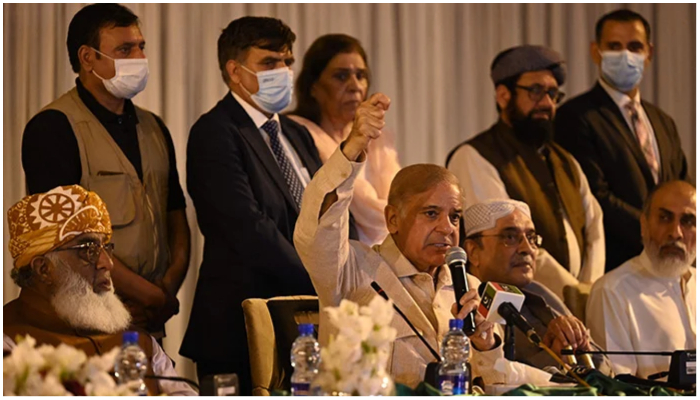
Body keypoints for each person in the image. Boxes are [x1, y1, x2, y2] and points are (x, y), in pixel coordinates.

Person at [294, 92, 559, 389]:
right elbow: (318, 227)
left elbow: (497, 387)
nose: (447, 228)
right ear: (393, 219)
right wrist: (352, 150)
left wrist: (485, 346)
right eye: (431, 213)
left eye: (455, 217)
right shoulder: (353, 270)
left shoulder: (469, 291)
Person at [182, 17, 348, 395]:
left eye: (288, 62)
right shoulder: (216, 132)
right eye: (270, 63)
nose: (284, 72)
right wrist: (320, 282)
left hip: (305, 323)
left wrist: (343, 270)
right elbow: (246, 227)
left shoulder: (295, 132)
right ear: (235, 71)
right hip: (238, 326)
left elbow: (329, 210)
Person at [20, 3, 190, 339]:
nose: (139, 58)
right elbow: (62, 237)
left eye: (141, 47)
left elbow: (176, 215)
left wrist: (166, 289)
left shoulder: (154, 126)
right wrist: (148, 294)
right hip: (87, 315)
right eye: (125, 49)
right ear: (88, 58)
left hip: (151, 315)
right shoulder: (54, 127)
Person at [4, 185, 196, 396]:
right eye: (89, 250)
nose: (107, 264)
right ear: (44, 269)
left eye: (106, 248)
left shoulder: (137, 341)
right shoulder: (10, 345)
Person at [446, 45, 605, 299]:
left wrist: (590, 291)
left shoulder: (566, 162)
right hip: (514, 304)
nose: (547, 103)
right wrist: (572, 293)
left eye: (553, 93)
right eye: (535, 91)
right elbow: (506, 242)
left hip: (579, 305)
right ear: (503, 95)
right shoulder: (475, 156)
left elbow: (595, 227)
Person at [555, 9, 691, 272]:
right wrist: (654, 230)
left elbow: (682, 189)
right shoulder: (575, 116)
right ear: (596, 51)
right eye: (614, 47)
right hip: (617, 266)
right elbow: (595, 196)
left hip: (670, 265)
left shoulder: (662, 121)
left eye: (634, 46)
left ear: (649, 53)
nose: (626, 56)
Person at [462, 199, 611, 374]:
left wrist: (579, 346)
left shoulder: (539, 291)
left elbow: (605, 365)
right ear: (473, 251)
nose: (527, 248)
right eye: (510, 237)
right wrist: (555, 358)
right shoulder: (466, 304)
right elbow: (493, 376)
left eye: (531, 238)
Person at [289, 34, 401, 246]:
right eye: (341, 76)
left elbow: (400, 206)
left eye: (360, 75)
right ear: (313, 87)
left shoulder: (379, 138)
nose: (354, 86)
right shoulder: (296, 134)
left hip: (385, 261)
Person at [587, 181, 696, 379]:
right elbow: (615, 387)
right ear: (643, 225)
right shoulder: (612, 292)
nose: (676, 233)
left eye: (688, 221)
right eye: (664, 218)